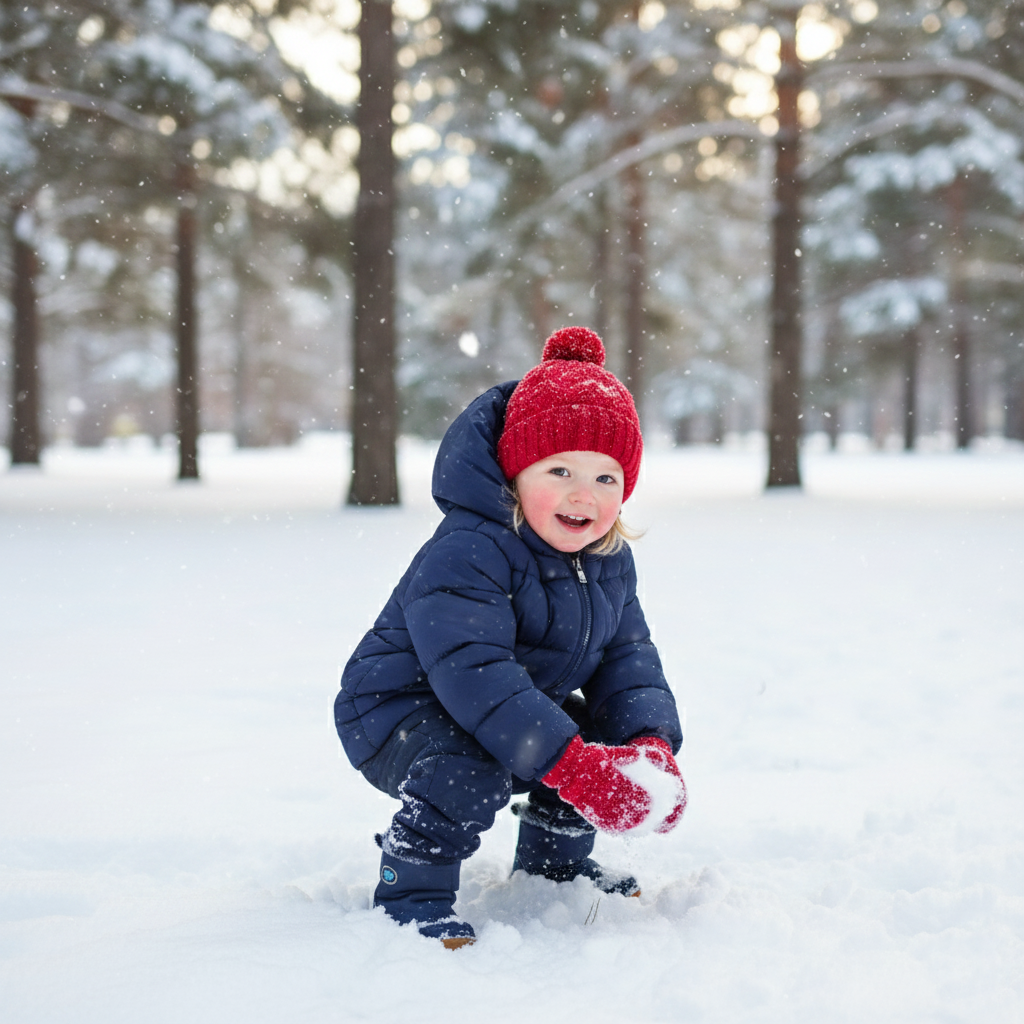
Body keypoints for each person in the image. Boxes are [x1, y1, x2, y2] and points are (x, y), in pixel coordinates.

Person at [334, 326, 686, 949]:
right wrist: (573, 768)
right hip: (398, 711)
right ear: (515, 473)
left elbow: (629, 659)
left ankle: (555, 868)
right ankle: (410, 890)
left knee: (587, 733)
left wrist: (647, 746)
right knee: (467, 765)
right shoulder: (469, 550)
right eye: (560, 470)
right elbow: (476, 674)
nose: (586, 493)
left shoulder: (606, 558)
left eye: (607, 478)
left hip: (503, 709)